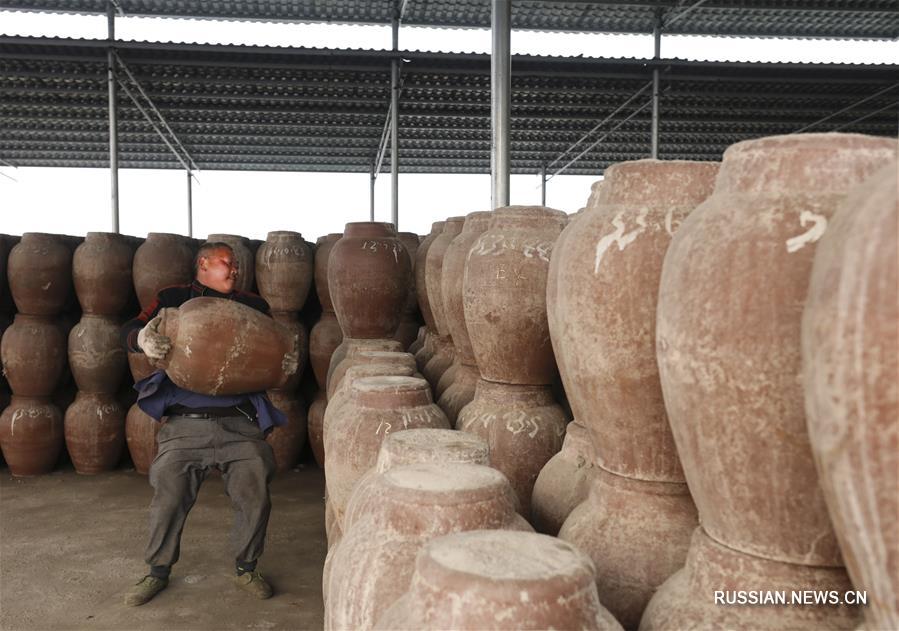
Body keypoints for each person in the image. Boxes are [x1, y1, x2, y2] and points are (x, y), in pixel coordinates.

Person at [120, 241, 298, 607]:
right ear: (203, 264)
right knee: (168, 492)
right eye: (226, 264)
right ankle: (157, 571)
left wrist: (284, 363)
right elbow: (131, 327)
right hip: (186, 422)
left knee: (255, 492)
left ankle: (247, 567)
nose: (234, 270)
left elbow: (273, 354)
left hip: (240, 422)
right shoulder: (173, 298)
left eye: (235, 265)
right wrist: (142, 338)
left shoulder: (254, 306)